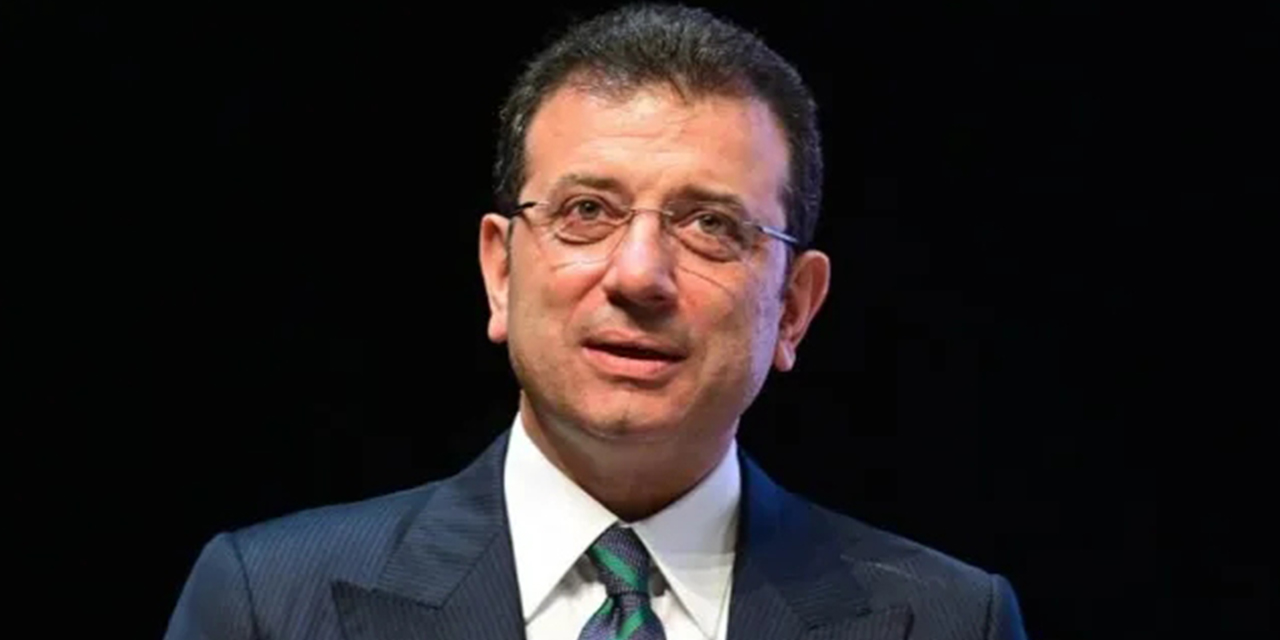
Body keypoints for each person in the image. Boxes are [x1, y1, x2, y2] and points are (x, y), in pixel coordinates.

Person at [164, 4, 1029, 639]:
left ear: (795, 306)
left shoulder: (952, 620)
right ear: (501, 271)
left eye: (710, 225)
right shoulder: (270, 603)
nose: (639, 275)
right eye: (586, 212)